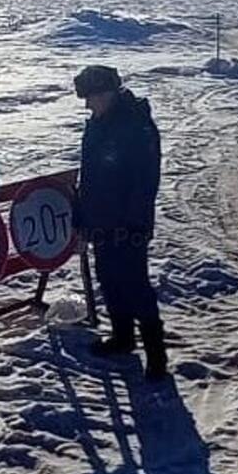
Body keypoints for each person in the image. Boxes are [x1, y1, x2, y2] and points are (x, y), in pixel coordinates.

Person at [73, 65, 168, 381]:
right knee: (109, 279)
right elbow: (89, 176)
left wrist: (134, 222)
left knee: (135, 284)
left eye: (91, 98)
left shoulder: (136, 125)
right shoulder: (98, 124)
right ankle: (123, 337)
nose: (88, 105)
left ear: (108, 93)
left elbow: (146, 180)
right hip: (102, 218)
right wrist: (83, 217)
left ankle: (156, 356)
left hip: (129, 223)